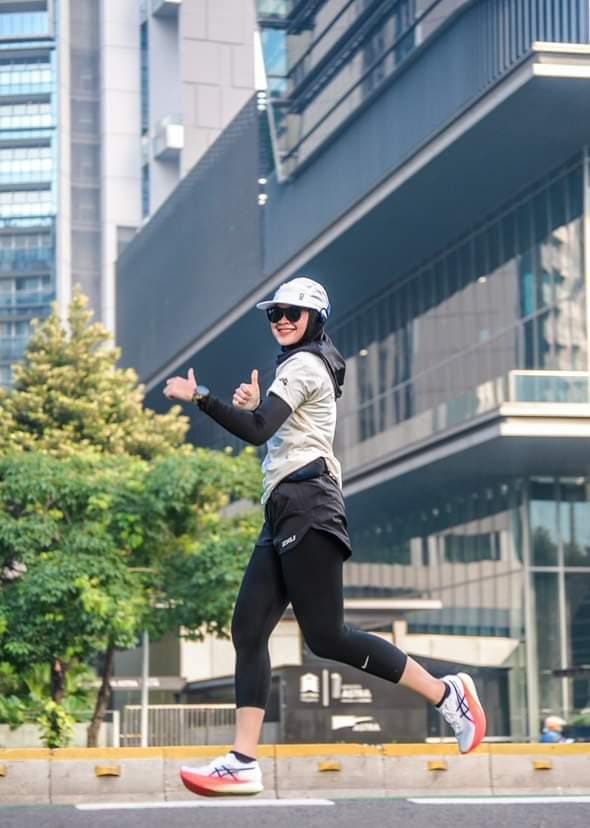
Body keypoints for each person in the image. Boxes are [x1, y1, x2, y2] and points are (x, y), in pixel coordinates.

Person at [163, 276, 487, 797]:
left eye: (292, 312)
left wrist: (201, 396)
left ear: (315, 318)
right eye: (274, 314)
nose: (281, 320)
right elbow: (271, 426)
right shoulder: (298, 367)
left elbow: (257, 430)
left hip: (308, 505)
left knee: (327, 636)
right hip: (284, 508)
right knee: (248, 628)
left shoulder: (305, 365)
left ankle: (446, 693)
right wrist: (254, 405)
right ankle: (243, 761)